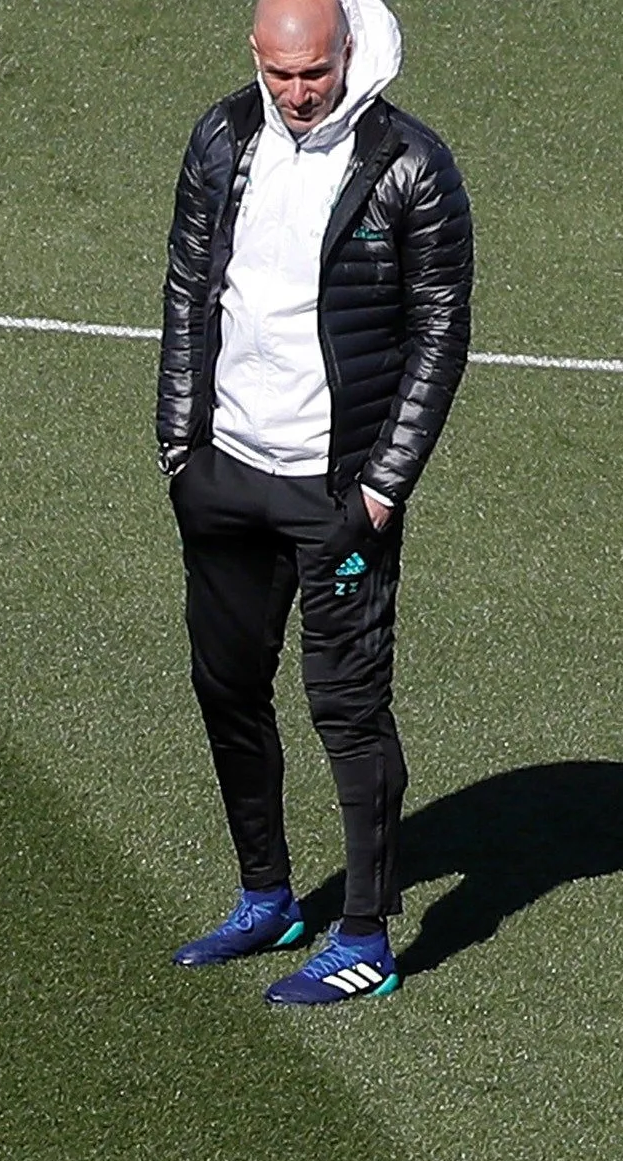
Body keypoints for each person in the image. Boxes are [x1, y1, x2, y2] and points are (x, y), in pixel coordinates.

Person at [151, 0, 469, 1008]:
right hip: (226, 478)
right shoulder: (222, 135)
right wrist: (178, 449)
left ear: (345, 53)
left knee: (348, 710)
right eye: (281, 74)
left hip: (337, 496)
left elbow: (439, 337)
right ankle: (266, 897)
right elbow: (186, 286)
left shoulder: (413, 166)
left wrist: (380, 494)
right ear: (257, 56)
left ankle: (367, 934)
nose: (297, 94)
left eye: (315, 73)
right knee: (228, 688)